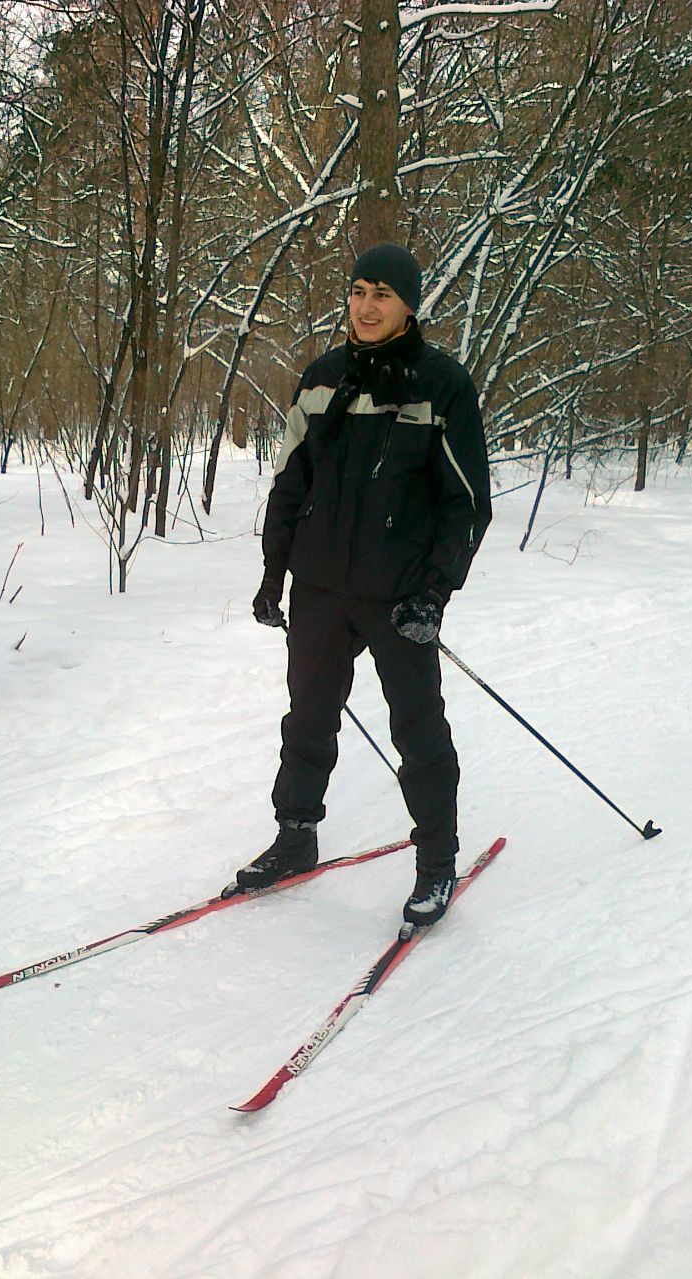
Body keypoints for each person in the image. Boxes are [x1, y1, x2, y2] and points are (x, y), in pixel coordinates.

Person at [236, 243, 492, 926]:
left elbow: (466, 505)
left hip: (398, 596)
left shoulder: (443, 387)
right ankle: (296, 837)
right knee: (307, 720)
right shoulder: (322, 380)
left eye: (382, 293)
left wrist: (432, 594)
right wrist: (272, 571)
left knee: (417, 730)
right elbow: (291, 482)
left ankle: (436, 862)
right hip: (321, 588)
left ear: (409, 303)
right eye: (357, 291)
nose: (367, 306)